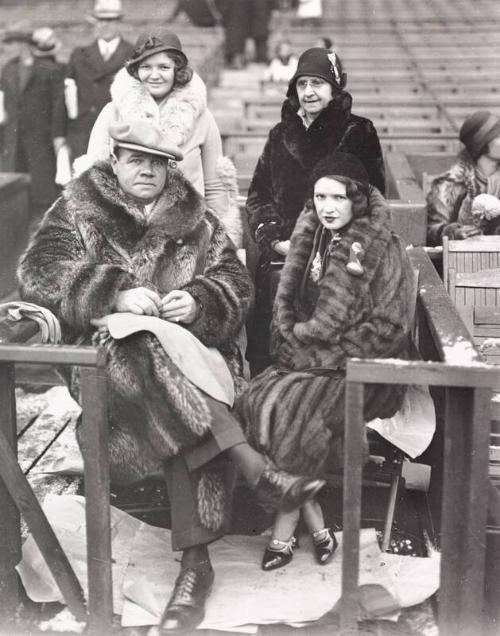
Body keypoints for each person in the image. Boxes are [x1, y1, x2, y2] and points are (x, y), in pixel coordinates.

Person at [17, 119, 324, 634]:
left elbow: (236, 283)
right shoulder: (77, 207)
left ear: (171, 168)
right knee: (140, 342)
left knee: (169, 378)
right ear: (114, 159)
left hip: (195, 360)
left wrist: (200, 300)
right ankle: (201, 557)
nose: (146, 170)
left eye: (158, 162)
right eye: (135, 159)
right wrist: (110, 295)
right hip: (106, 363)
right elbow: (39, 272)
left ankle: (203, 552)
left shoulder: (195, 218)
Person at [239, 152, 413, 570]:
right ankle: (317, 523)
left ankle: (283, 532)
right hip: (307, 363)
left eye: (339, 197)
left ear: (358, 200)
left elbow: (390, 329)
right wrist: (303, 351)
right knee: (254, 400)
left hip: (362, 369)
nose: (328, 207)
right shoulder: (313, 239)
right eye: (320, 196)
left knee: (291, 411)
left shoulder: (381, 247)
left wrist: (324, 354)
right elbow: (289, 317)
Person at [246, 46, 385, 373]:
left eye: (317, 84)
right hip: (284, 255)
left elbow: (373, 198)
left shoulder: (359, 131)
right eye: (302, 84)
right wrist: (273, 238)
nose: (308, 92)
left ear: (335, 89)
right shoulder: (280, 134)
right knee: (275, 358)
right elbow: (258, 195)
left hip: (339, 261)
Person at [84, 28, 242, 246]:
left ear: (177, 70)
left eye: (164, 67)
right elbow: (92, 179)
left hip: (186, 237)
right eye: (146, 67)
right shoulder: (112, 113)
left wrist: (226, 242)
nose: (154, 75)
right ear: (135, 70)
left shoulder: (203, 119)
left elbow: (215, 187)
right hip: (125, 235)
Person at [0, 28, 67, 221]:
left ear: (23, 45)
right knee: (16, 190)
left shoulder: (49, 69)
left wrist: (57, 135)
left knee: (43, 190)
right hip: (14, 140)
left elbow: (57, 105)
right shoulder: (8, 69)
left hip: (41, 139)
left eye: (9, 43)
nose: (5, 48)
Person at [65, 0, 134, 158]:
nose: (104, 25)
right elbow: (65, 94)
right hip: (84, 132)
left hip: (119, 131)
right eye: (100, 20)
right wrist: (61, 135)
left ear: (119, 23)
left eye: (110, 20)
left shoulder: (133, 54)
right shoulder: (79, 54)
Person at [426, 110, 500, 245]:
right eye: (498, 136)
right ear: (482, 144)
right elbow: (432, 227)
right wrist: (452, 233)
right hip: (464, 259)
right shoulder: (450, 184)